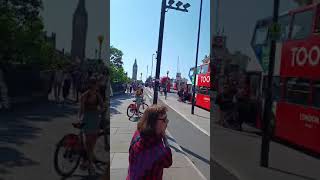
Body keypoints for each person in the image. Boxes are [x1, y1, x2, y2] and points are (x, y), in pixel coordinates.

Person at [127, 105, 172, 180]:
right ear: (153, 122)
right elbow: (168, 162)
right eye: (164, 119)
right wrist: (164, 138)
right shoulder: (155, 147)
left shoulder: (138, 133)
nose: (167, 121)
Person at [78, 77, 104, 170]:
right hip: (88, 119)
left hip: (95, 119)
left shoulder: (97, 95)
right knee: (88, 143)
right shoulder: (85, 95)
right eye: (96, 84)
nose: (97, 86)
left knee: (92, 142)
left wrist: (100, 111)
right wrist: (80, 119)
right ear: (92, 85)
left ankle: (87, 161)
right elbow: (81, 109)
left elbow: (102, 107)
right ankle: (89, 163)